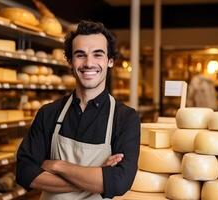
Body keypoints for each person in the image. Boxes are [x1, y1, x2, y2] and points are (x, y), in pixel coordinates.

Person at [16, 20, 140, 200]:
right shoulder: (48, 113)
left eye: (98, 55)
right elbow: (24, 172)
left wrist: (59, 166)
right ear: (70, 61)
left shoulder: (125, 118)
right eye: (80, 55)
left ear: (110, 61)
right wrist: (96, 177)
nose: (89, 63)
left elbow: (119, 182)